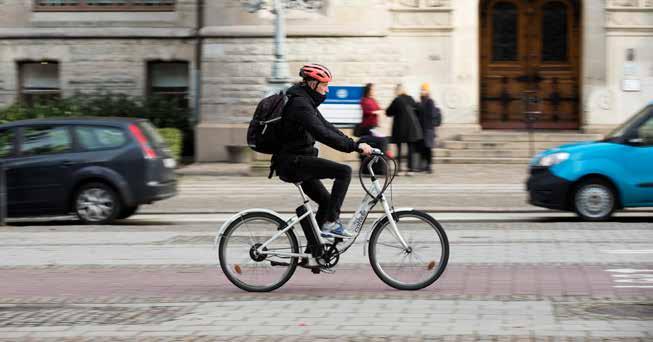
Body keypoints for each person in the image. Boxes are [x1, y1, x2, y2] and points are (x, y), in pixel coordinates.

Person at [273, 63, 373, 238]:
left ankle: (314, 252)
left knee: (327, 202)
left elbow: (328, 127)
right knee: (344, 171)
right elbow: (322, 134)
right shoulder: (300, 105)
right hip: (294, 162)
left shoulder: (304, 102)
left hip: (297, 160)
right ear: (313, 84)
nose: (327, 90)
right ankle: (331, 223)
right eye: (325, 85)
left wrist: (354, 143)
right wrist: (354, 147)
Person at [386, 84, 422, 175]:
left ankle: (399, 169)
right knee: (410, 149)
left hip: (399, 129)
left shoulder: (397, 100)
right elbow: (417, 109)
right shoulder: (410, 99)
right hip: (410, 129)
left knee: (399, 149)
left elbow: (388, 112)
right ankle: (410, 169)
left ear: (397, 91)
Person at [417, 83, 442, 173]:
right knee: (423, 148)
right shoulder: (421, 101)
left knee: (428, 148)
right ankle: (424, 166)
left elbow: (431, 115)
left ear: (427, 91)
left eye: (424, 90)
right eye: (421, 90)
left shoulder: (430, 101)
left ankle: (429, 166)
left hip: (428, 129)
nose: (422, 91)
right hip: (423, 128)